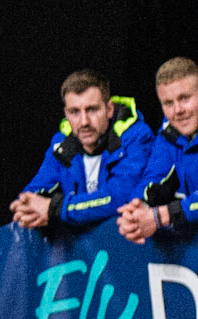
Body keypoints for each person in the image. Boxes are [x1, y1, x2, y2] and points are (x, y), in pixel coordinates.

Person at [10, 69, 153, 234]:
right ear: (66, 114)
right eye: (75, 112)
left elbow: (120, 198)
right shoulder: (61, 145)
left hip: (132, 248)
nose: (84, 122)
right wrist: (26, 207)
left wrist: (55, 209)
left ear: (109, 109)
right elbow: (34, 190)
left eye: (92, 110)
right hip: (88, 253)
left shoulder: (136, 138)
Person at [117, 56, 198, 244]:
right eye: (168, 103)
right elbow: (153, 179)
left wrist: (162, 216)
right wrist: (136, 209)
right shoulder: (169, 133)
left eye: (184, 98)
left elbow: (162, 215)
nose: (178, 110)